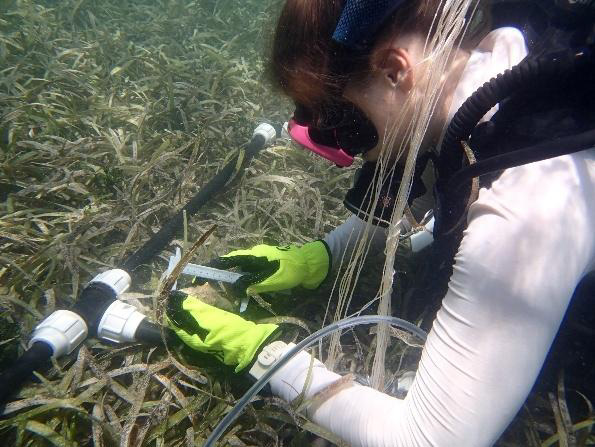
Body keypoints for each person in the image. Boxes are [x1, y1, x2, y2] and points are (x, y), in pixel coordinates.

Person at [168, 0, 595, 445]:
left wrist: (267, 357)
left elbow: (429, 439)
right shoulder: (483, 72)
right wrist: (322, 256)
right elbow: (434, 170)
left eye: (343, 123)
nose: (349, 154)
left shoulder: (524, 215)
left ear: (395, 71)